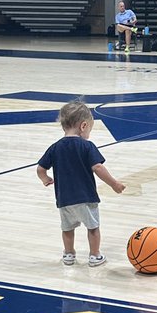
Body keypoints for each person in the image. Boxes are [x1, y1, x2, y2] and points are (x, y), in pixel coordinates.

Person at [36, 99, 124, 266]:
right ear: (83, 126)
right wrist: (113, 183)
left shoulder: (55, 147)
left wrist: (45, 179)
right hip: (86, 197)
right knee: (93, 227)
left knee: (67, 229)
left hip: (64, 199)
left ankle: (69, 255)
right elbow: (98, 167)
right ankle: (94, 255)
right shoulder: (87, 146)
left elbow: (40, 168)